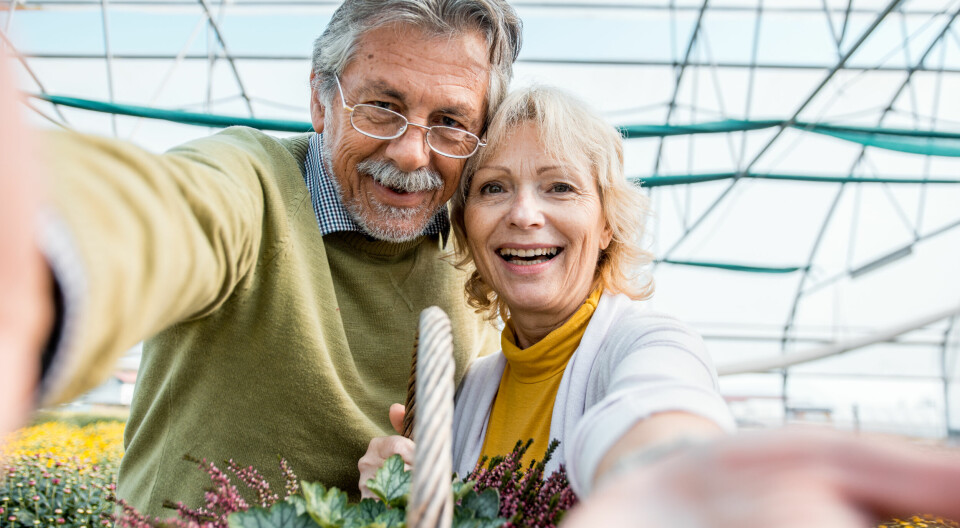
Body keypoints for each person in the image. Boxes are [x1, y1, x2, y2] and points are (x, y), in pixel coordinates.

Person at [0, 0, 522, 518]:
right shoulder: (254, 187)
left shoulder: (482, 248)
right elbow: (164, 212)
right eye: (382, 108)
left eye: (450, 122)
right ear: (320, 101)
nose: (411, 152)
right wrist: (41, 259)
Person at [358, 86, 960, 526]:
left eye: (559, 186)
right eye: (493, 188)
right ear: (466, 225)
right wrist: (398, 486)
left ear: (606, 227)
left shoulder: (647, 343)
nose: (524, 213)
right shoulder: (473, 390)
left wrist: (673, 469)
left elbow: (657, 408)